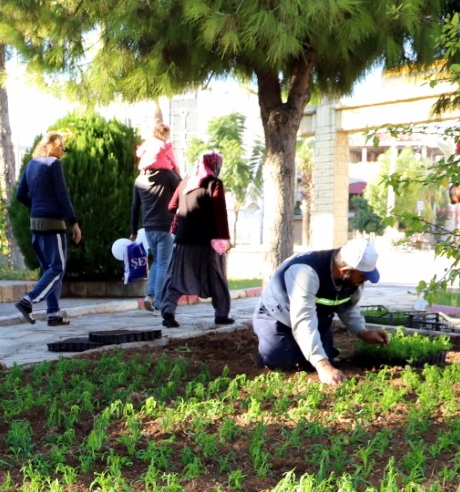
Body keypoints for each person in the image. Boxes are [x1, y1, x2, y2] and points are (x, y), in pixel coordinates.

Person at [253, 239, 390, 385]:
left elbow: (347, 306)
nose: (365, 281)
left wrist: (362, 332)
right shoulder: (305, 272)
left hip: (317, 318)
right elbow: (303, 318)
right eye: (363, 276)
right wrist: (322, 365)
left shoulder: (352, 279)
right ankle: (270, 353)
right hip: (277, 317)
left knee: (319, 362)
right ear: (345, 271)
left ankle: (310, 352)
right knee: (284, 364)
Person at [158, 151, 234, 329]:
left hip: (183, 239)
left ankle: (168, 312)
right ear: (215, 165)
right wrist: (225, 238)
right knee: (216, 277)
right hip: (207, 242)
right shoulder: (214, 184)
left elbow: (172, 206)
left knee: (176, 277)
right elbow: (220, 213)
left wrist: (186, 216)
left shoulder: (185, 182)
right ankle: (221, 314)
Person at [14, 131, 82, 327]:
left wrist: (37, 206)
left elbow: (20, 195)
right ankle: (28, 301)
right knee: (57, 268)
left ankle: (53, 314)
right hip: (53, 224)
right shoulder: (54, 165)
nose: (63, 149)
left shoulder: (31, 165)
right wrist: (74, 222)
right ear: (49, 145)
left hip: (36, 224)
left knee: (49, 270)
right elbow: (63, 196)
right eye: (60, 145)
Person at [129, 132, 182, 312]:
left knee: (157, 261)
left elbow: (135, 208)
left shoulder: (139, 180)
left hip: (148, 228)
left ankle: (149, 295)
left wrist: (133, 231)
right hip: (166, 226)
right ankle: (159, 300)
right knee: (163, 263)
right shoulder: (167, 175)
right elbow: (181, 190)